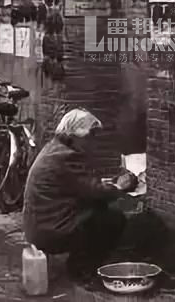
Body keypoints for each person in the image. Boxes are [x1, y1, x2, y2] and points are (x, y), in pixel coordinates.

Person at [22, 108, 127, 280]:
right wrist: (120, 187)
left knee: (98, 208)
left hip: (38, 226)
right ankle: (81, 268)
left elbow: (77, 184)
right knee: (113, 219)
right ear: (76, 135)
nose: (92, 143)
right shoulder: (66, 156)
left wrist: (103, 185)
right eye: (90, 136)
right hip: (49, 231)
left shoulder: (55, 148)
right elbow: (94, 191)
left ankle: (82, 259)